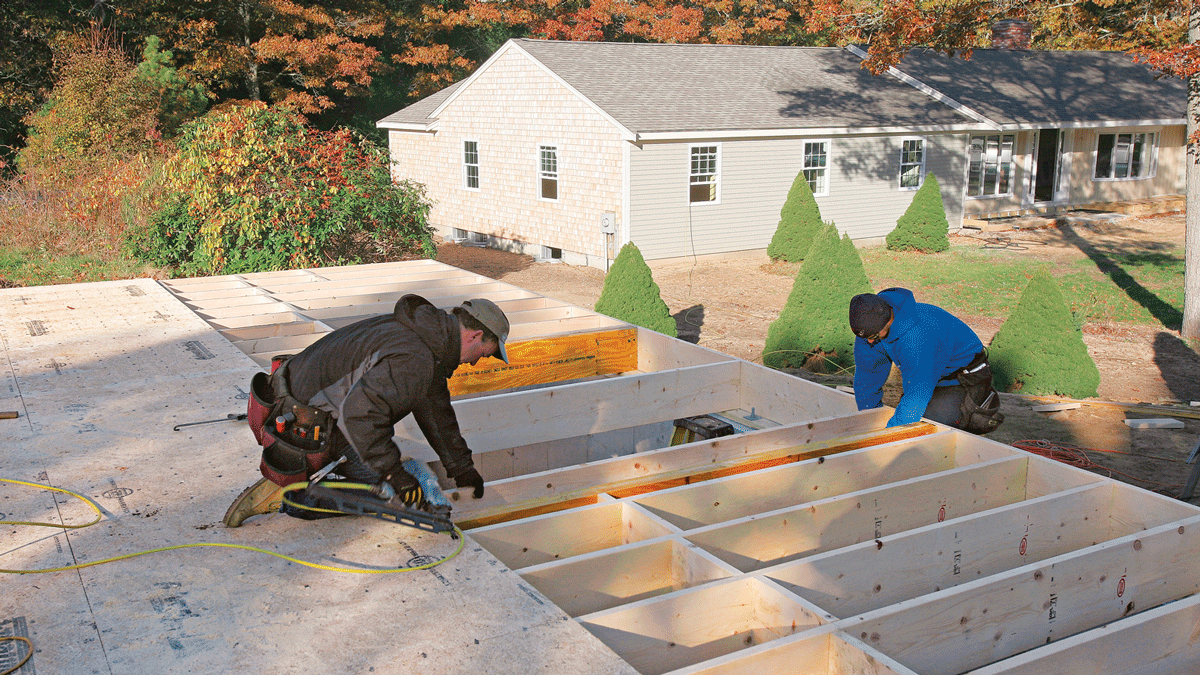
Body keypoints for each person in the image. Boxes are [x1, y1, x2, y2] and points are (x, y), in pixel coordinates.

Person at [224, 294, 509, 527]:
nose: (475, 363)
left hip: (293, 400)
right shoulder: (417, 357)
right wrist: (393, 475)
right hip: (304, 425)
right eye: (484, 354)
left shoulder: (424, 337)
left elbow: (435, 411)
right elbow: (359, 418)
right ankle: (294, 497)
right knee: (400, 494)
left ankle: (319, 479)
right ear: (475, 336)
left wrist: (462, 469)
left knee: (399, 473)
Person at [849, 288, 1003, 434]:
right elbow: (868, 375)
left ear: (888, 321)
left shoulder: (918, 338)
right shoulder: (870, 328)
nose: (869, 342)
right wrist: (869, 418)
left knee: (927, 426)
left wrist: (887, 437)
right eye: (866, 337)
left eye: (874, 336)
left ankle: (977, 406)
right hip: (930, 375)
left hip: (964, 378)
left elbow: (916, 396)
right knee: (907, 416)